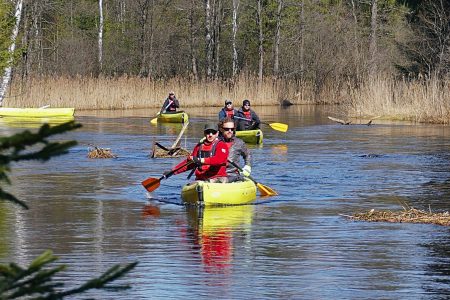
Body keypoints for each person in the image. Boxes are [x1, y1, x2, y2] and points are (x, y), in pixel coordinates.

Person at [219, 117, 252, 182]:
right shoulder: (215, 142)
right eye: (227, 129)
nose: (230, 131)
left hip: (233, 175)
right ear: (221, 129)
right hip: (217, 175)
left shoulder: (239, 143)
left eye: (232, 129)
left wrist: (248, 166)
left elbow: (248, 154)